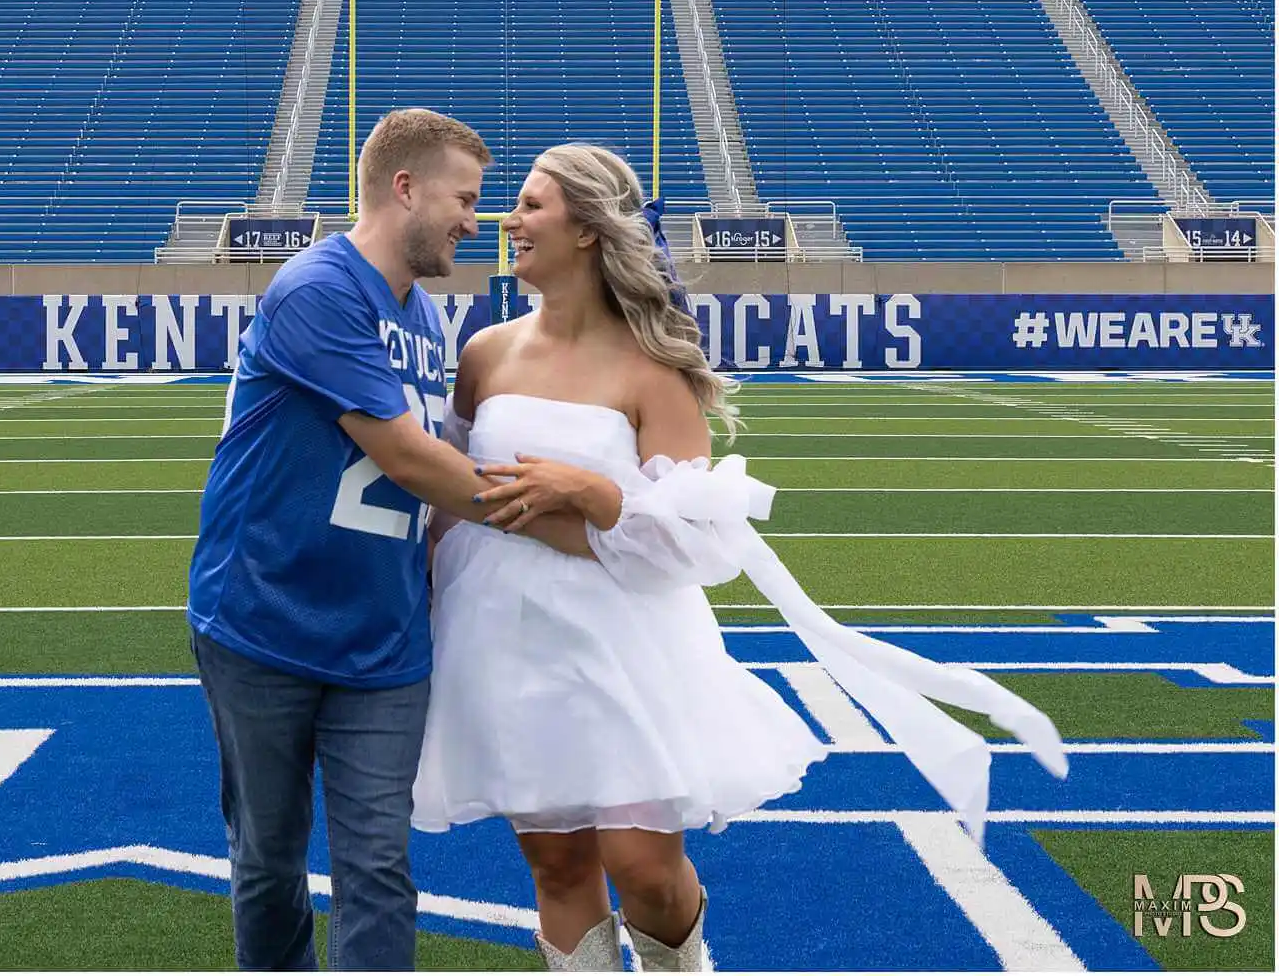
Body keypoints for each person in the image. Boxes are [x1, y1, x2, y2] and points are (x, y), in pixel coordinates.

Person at [411, 144, 1069, 971]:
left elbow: (693, 545)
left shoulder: (656, 369)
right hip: (501, 633)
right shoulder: (485, 354)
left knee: (644, 866)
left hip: (622, 640)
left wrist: (594, 493)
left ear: (587, 228)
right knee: (557, 862)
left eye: (532, 205)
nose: (510, 221)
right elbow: (451, 499)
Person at [187, 110, 592, 971]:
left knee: (377, 863)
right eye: (464, 198)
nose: (474, 222)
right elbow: (411, 460)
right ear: (404, 188)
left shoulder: (421, 315)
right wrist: (566, 518)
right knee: (268, 860)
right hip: (267, 618)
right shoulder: (320, 288)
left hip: (382, 635)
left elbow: (438, 475)